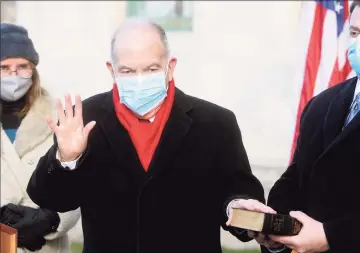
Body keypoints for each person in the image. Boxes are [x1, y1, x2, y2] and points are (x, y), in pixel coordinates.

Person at [26, 18, 274, 253]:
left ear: (170, 67)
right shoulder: (83, 119)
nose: (140, 79)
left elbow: (238, 191)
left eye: (152, 68)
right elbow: (51, 199)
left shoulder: (215, 122)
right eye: (128, 71)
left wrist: (238, 207)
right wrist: (66, 159)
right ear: (112, 70)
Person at [255, 1, 360, 253]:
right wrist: (276, 229)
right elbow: (295, 179)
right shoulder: (321, 104)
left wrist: (331, 236)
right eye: (354, 32)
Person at [0, 22, 81, 253]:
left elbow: (77, 179)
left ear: (33, 70)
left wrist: (51, 218)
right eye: (4, 68)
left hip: (46, 246)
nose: (14, 75)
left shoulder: (60, 117)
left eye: (22, 66)